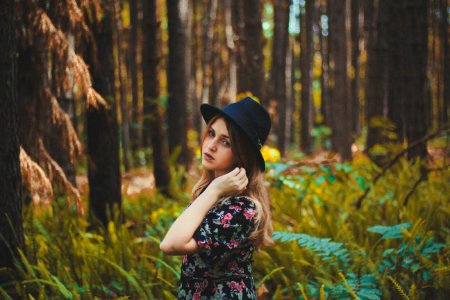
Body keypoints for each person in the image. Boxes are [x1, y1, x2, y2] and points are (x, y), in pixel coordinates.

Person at [160, 97, 273, 299]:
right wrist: (212, 191)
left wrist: (213, 190)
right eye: (211, 133)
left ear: (242, 154)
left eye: (225, 142)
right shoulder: (212, 194)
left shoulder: (242, 209)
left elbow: (170, 244)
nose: (211, 146)